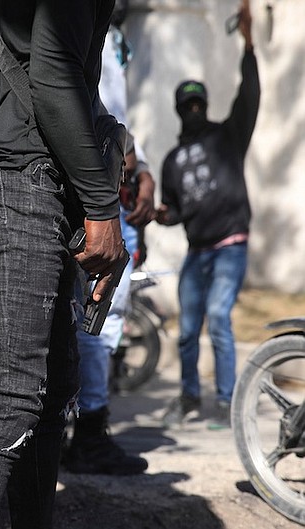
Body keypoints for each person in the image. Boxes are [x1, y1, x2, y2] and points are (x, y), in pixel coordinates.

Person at [0, 2, 125, 528]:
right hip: (12, 185)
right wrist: (103, 209)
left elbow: (57, 76)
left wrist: (114, 153)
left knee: (49, 394)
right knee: (6, 403)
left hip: (32, 185)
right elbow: (53, 74)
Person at [156, 0, 260, 430]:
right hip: (197, 254)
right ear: (181, 111)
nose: (195, 110)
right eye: (189, 105)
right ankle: (188, 398)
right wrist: (158, 215)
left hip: (230, 247)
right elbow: (175, 212)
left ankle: (225, 404)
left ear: (206, 106)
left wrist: (249, 47)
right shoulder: (172, 160)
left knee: (218, 318)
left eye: (199, 104)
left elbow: (249, 95)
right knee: (185, 332)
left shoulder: (228, 135)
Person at [63, 4, 156, 476]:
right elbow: (79, 108)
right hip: (85, 189)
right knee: (96, 312)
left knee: (101, 315)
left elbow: (111, 119)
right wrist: (101, 203)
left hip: (103, 182)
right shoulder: (77, 20)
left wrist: (140, 170)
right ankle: (86, 432)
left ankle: (80, 427)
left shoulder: (111, 35)